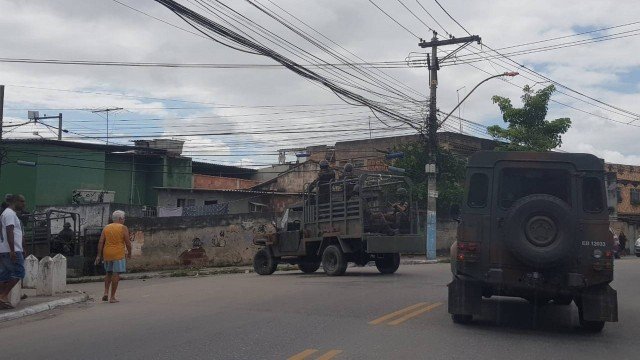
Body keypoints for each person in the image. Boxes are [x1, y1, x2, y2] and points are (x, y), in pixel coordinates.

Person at [95, 210, 132, 303]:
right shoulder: (123, 228)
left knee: (108, 273)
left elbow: (100, 242)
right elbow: (127, 242)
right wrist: (130, 252)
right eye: (123, 219)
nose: (124, 220)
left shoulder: (106, 227)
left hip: (107, 253)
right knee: (116, 274)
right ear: (120, 219)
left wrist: (99, 255)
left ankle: (105, 292)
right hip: (118, 254)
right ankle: (112, 297)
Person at [0, 195, 26, 309]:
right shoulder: (9, 214)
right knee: (19, 272)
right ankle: (3, 295)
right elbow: (9, 231)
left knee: (4, 275)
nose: (24, 204)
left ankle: (1, 299)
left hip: (6, 249)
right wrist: (12, 250)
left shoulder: (7, 213)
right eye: (22, 201)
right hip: (11, 249)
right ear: (15, 202)